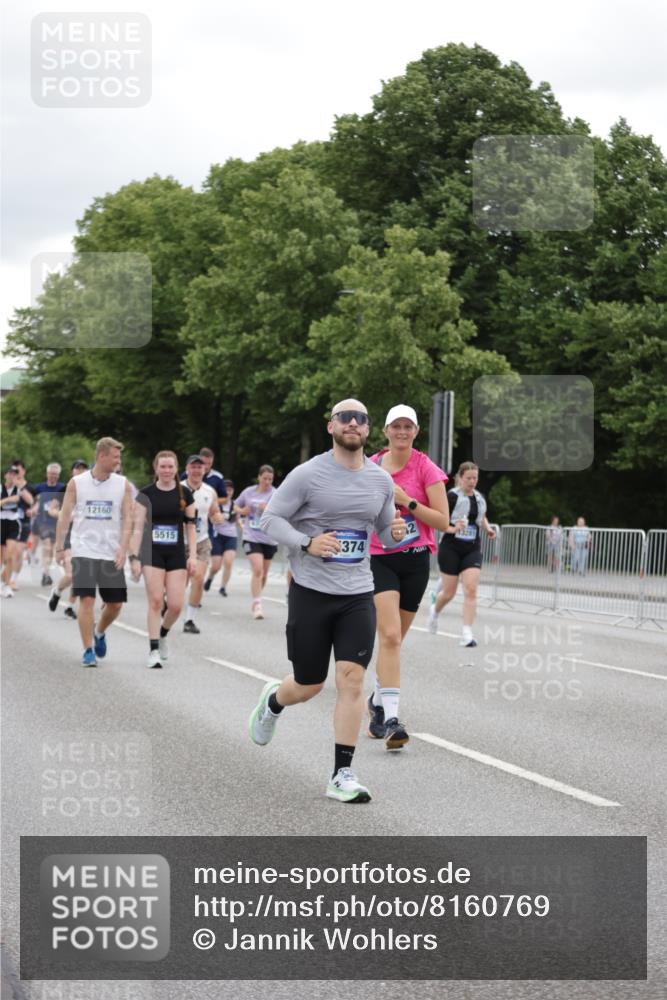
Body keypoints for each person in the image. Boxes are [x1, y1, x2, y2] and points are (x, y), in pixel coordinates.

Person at [248, 399, 408, 804]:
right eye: (345, 417)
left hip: (357, 593)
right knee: (309, 683)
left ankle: (342, 774)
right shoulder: (307, 475)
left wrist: (396, 532)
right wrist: (307, 542)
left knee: (352, 680)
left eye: (361, 418)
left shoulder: (380, 481)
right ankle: (273, 702)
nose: (353, 423)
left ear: (368, 429)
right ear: (331, 426)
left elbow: (385, 536)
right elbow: (269, 520)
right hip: (311, 592)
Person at [367, 405, 449, 750]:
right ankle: (392, 719)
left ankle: (377, 698)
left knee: (394, 641)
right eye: (396, 426)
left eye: (408, 427)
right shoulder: (369, 467)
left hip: (415, 560)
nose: (402, 432)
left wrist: (408, 502)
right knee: (387, 635)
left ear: (416, 432)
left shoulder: (425, 468)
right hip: (380, 558)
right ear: (386, 430)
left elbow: (443, 521)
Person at [55, 438, 133, 667]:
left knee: (116, 604)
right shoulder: (77, 483)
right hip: (83, 548)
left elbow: (129, 518)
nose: (119, 461)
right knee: (86, 600)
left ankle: (100, 631)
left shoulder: (123, 484)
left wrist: (123, 547)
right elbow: (64, 515)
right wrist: (60, 546)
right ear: (101, 456)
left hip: (111, 550)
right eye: (115, 457)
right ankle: (88, 649)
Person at [130, 451, 197, 668]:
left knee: (176, 605)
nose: (166, 471)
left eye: (170, 467)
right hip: (151, 553)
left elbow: (191, 527)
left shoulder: (185, 494)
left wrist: (193, 556)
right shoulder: (145, 494)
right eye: (163, 467)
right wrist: (134, 557)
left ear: (176, 468)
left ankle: (163, 633)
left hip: (176, 553)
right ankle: (153, 650)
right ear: (156, 468)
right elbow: (137, 528)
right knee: (156, 601)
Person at [428, 462, 496, 647]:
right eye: (469, 478)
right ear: (461, 478)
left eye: (475, 478)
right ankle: (435, 611)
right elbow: (439, 519)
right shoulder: (451, 497)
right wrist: (453, 528)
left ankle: (467, 632)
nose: (472, 482)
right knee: (449, 593)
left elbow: (481, 518)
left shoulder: (479, 498)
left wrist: (488, 529)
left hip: (472, 547)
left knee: (471, 589)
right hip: (450, 547)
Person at [181, 454, 224, 633]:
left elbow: (214, 512)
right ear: (187, 470)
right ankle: (169, 603)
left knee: (198, 578)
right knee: (180, 582)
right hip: (179, 541)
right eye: (193, 467)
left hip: (201, 541)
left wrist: (218, 517)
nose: (197, 470)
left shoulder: (209, 491)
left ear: (204, 470)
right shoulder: (178, 489)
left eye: (200, 467)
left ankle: (189, 619)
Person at [48, 460, 89, 619]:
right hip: (68, 535)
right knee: (72, 574)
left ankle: (70, 606)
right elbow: (52, 510)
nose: (80, 471)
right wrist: (65, 515)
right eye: (77, 468)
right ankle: (57, 591)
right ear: (72, 471)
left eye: (83, 469)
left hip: (86, 536)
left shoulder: (91, 489)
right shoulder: (64, 489)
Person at [235, 465, 277, 619]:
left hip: (269, 539)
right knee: (257, 569)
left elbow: (282, 513)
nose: (267, 482)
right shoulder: (248, 492)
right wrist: (242, 511)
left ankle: (257, 596)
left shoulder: (275, 494)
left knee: (264, 574)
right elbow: (236, 505)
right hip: (251, 536)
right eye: (265, 478)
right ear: (259, 477)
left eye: (270, 479)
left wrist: (269, 509)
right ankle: (257, 603)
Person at [31, 463, 66, 586]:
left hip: (57, 522)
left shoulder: (62, 488)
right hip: (43, 521)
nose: (53, 476)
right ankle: (45, 574)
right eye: (51, 474)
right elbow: (33, 500)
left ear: (58, 475)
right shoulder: (39, 487)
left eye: (55, 474)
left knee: (51, 548)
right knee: (46, 546)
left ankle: (46, 571)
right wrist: (34, 508)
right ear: (47, 474)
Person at [1, 467, 33, 597]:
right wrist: (8, 500)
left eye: (15, 474)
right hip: (1, 521)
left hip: (14, 523)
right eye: (10, 473)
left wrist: (21, 487)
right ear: (5, 475)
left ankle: (7, 585)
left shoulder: (19, 489)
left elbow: (30, 501)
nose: (12, 476)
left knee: (10, 556)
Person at [205, 479, 239, 596]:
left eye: (230, 490)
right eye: (226, 490)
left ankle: (223, 587)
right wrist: (215, 519)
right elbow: (209, 518)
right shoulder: (216, 504)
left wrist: (243, 527)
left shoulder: (235, 505)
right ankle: (210, 577)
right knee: (216, 566)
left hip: (231, 537)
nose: (228, 492)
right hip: (217, 536)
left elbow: (239, 519)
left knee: (228, 562)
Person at [9, 460, 34, 589]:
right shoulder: (7, 486)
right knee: (7, 552)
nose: (16, 473)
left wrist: (19, 486)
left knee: (18, 551)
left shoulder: (29, 487)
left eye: (18, 470)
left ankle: (13, 579)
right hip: (7, 522)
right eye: (13, 471)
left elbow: (32, 501)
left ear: (24, 471)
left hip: (23, 523)